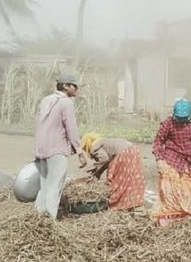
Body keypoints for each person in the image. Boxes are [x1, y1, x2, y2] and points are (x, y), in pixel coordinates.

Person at [34, 73, 87, 219]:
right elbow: (71, 128)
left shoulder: (46, 100)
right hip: (56, 149)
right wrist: (80, 151)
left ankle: (37, 218)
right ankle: (49, 221)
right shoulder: (66, 103)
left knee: (44, 185)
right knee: (55, 186)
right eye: (74, 86)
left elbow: (39, 124)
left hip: (41, 148)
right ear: (65, 86)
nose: (77, 89)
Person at [152, 98, 191, 225]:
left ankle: (186, 217)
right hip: (172, 160)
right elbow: (158, 141)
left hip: (190, 163)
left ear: (190, 114)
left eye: (184, 118)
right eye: (179, 118)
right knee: (171, 192)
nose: (181, 121)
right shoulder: (169, 122)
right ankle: (168, 217)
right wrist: (159, 159)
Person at [81, 133, 145, 211]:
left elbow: (104, 159)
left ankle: (117, 204)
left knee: (117, 180)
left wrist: (94, 169)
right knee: (132, 179)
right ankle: (136, 205)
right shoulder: (103, 142)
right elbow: (105, 162)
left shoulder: (94, 148)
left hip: (123, 153)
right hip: (133, 150)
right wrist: (97, 174)